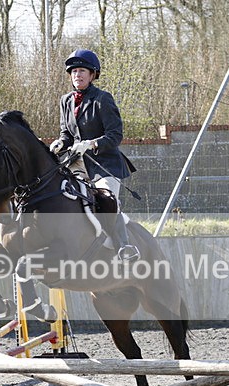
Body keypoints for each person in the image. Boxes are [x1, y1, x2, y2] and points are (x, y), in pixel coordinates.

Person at [49, 49, 139, 261]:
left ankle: (124, 247)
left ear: (92, 75)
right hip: (76, 163)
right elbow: (67, 134)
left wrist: (90, 144)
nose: (77, 75)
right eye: (74, 71)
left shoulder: (102, 99)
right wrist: (61, 142)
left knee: (106, 198)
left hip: (103, 164)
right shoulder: (65, 101)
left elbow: (115, 136)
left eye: (82, 71)